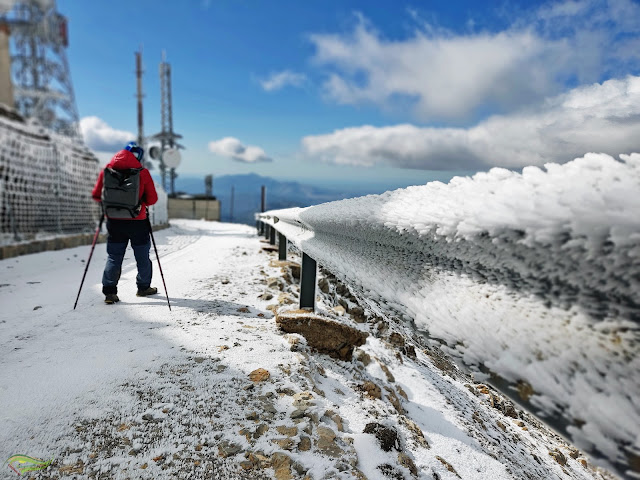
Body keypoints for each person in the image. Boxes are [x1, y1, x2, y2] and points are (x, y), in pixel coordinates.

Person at [92, 141, 159, 304]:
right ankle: (143, 288)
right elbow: (152, 199)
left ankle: (109, 292)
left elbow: (96, 195)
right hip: (138, 222)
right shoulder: (143, 173)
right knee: (142, 256)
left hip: (114, 222)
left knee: (114, 257)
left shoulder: (106, 172)